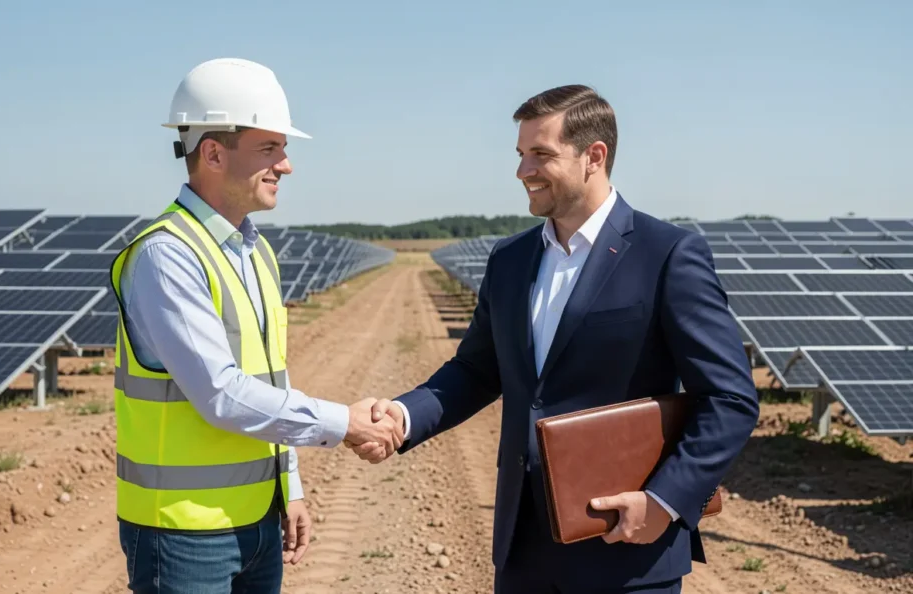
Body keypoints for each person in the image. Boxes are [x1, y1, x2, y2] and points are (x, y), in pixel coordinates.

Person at [349, 85, 760, 593]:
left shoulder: (668, 255)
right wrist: (404, 415)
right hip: (524, 552)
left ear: (594, 156)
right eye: (520, 155)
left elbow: (729, 398)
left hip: (623, 548)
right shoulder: (510, 260)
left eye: (540, 154)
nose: (523, 171)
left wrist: (663, 502)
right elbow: (478, 370)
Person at [110, 58, 403, 594]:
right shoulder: (168, 255)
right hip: (184, 531)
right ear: (214, 153)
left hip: (257, 519)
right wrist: (344, 423)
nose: (286, 165)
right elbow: (222, 391)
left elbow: (271, 379)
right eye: (270, 149)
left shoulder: (256, 252)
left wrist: (287, 485)